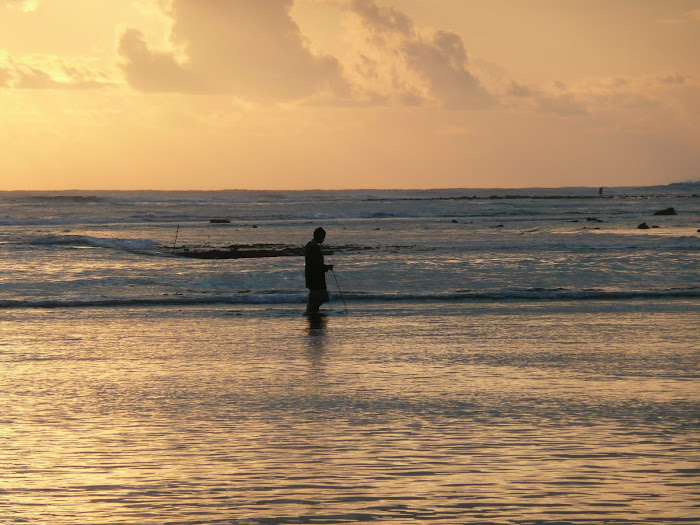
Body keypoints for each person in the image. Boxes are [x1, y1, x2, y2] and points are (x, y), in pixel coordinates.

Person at [304, 227, 333, 314]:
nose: (323, 239)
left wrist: (325, 267)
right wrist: (326, 268)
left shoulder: (310, 245)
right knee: (320, 297)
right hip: (316, 278)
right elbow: (316, 265)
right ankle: (311, 313)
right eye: (323, 237)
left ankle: (312, 315)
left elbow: (314, 263)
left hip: (311, 276)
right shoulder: (314, 247)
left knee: (315, 299)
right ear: (318, 236)